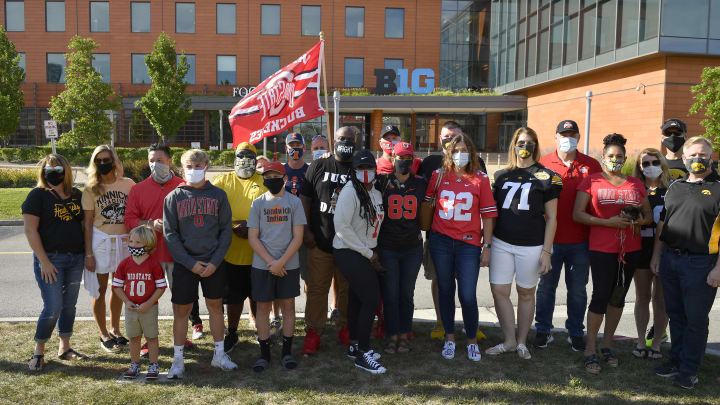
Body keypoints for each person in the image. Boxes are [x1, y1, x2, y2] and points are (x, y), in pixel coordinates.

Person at [573, 134, 651, 375]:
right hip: (601, 249)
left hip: (630, 249)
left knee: (618, 297)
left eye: (619, 157)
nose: (615, 160)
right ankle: (591, 347)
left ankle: (608, 345)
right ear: (602, 158)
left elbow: (648, 216)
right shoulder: (592, 181)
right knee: (600, 296)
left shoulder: (635, 184)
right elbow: (578, 214)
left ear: (625, 159)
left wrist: (635, 220)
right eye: (610, 156)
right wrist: (608, 222)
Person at [650, 136, 720, 389]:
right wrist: (657, 256)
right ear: (683, 158)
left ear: (711, 158)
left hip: (701, 264)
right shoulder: (675, 187)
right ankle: (677, 361)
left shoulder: (719, 188)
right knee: (676, 315)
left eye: (703, 155)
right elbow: (663, 226)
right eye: (693, 155)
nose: (698, 159)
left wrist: (718, 268)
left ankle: (690, 370)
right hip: (671, 260)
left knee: (695, 319)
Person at [486, 127, 560, 360]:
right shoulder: (500, 175)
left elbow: (552, 218)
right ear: (514, 145)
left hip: (532, 244)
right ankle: (508, 340)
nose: (524, 147)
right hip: (502, 242)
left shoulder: (547, 176)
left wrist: (547, 251)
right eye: (521, 142)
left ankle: (521, 342)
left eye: (529, 143)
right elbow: (492, 213)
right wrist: (486, 244)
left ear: (535, 146)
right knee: (499, 290)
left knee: (526, 293)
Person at [164, 149, 236, 378]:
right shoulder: (174, 197)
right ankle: (177, 360)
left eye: (198, 166)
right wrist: (189, 263)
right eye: (189, 166)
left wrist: (214, 262)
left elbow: (226, 232)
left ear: (207, 166)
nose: (194, 170)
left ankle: (219, 355)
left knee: (216, 307)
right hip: (186, 264)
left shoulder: (218, 195)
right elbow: (170, 235)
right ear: (181, 168)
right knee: (181, 311)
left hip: (213, 263)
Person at [124, 143, 199, 357]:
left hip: (178, 255)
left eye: (159, 160)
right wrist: (149, 224)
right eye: (151, 160)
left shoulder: (183, 186)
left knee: (181, 300)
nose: (155, 164)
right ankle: (149, 340)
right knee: (148, 301)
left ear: (169, 161)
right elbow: (129, 219)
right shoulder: (138, 189)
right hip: (149, 256)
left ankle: (181, 337)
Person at [426, 134, 496, 361]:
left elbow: (488, 215)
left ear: (472, 152)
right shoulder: (438, 176)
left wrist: (487, 246)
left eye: (464, 149)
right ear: (448, 152)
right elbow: (428, 204)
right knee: (445, 290)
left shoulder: (481, 179)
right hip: (441, 241)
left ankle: (471, 340)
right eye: (456, 150)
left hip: (468, 243)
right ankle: (449, 337)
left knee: (467, 294)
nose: (460, 154)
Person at [534, 119, 602, 351]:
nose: (567, 138)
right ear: (555, 137)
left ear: (579, 138)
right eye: (563, 134)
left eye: (572, 134)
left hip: (580, 241)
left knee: (577, 290)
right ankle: (543, 330)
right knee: (546, 288)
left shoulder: (591, 165)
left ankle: (575, 332)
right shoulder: (543, 164)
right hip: (549, 240)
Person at [417, 121, 487, 340]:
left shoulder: (478, 164)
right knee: (440, 281)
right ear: (440, 139)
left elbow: (482, 198)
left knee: (466, 286)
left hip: (467, 237)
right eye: (446, 137)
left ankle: (469, 327)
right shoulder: (429, 163)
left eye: (455, 136)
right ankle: (441, 322)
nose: (451, 141)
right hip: (439, 236)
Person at [23, 154, 87, 371]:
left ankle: (65, 347)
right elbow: (30, 231)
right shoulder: (37, 195)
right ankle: (38, 352)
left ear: (66, 171)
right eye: (49, 168)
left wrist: (87, 254)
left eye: (58, 169)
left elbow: (84, 226)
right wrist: (44, 261)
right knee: (53, 307)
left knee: (69, 306)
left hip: (76, 258)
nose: (53, 172)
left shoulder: (77, 195)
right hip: (51, 259)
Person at [299, 126, 357, 354]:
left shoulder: (359, 166)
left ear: (356, 140)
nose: (346, 142)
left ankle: (345, 328)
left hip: (348, 244)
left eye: (350, 139)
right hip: (320, 241)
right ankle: (313, 333)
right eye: (342, 138)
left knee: (347, 290)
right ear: (334, 141)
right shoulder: (319, 164)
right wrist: (305, 230)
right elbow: (304, 198)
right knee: (317, 290)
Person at [247, 161, 306, 372]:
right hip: (263, 266)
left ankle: (287, 352)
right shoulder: (258, 203)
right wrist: (271, 263)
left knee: (288, 306)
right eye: (267, 176)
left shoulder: (294, 202)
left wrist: (281, 262)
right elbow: (253, 237)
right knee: (263, 308)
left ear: (285, 178)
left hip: (288, 264)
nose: (271, 180)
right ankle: (264, 355)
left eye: (275, 176)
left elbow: (298, 236)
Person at [333, 149, 387, 373]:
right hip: (349, 251)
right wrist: (368, 253)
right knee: (371, 299)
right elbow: (342, 228)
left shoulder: (375, 192)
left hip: (366, 251)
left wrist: (371, 250)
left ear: (375, 170)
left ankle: (354, 346)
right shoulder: (349, 192)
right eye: (360, 168)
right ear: (353, 171)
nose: (365, 172)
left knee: (357, 299)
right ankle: (362, 353)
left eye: (369, 168)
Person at [211, 142, 267, 353]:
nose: (244, 160)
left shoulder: (263, 181)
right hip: (231, 253)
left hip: (258, 252)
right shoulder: (222, 181)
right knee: (233, 297)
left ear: (256, 159)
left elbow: (270, 211)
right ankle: (232, 333)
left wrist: (251, 226)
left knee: (258, 295)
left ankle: (260, 331)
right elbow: (213, 209)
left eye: (249, 156)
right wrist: (234, 225)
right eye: (240, 155)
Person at [82, 145, 135, 353]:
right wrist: (88, 253)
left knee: (118, 286)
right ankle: (103, 333)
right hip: (100, 242)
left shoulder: (129, 184)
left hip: (123, 241)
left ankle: (115, 328)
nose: (103, 164)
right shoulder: (91, 188)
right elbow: (86, 224)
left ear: (114, 161)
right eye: (98, 160)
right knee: (100, 289)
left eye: (106, 159)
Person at [376, 142, 427, 354]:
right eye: (400, 157)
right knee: (390, 293)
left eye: (408, 158)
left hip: (411, 248)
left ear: (413, 160)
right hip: (388, 246)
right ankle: (392, 334)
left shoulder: (421, 183)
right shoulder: (383, 182)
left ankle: (405, 334)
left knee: (406, 293)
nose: (403, 162)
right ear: (393, 158)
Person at [112, 226, 167, 380]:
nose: (133, 245)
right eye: (131, 241)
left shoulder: (154, 264)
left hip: (149, 309)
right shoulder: (124, 264)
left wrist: (149, 303)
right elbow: (116, 286)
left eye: (138, 242)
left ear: (148, 245)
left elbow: (161, 287)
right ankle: (135, 364)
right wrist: (127, 301)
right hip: (131, 309)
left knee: (151, 337)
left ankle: (153, 364)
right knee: (134, 337)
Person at [630, 148, 669, 360]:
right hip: (641, 249)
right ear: (640, 167)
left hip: (663, 250)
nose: (651, 166)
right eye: (646, 163)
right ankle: (639, 340)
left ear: (662, 164)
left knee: (661, 299)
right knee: (642, 296)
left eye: (655, 162)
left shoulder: (672, 190)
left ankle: (656, 344)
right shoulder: (635, 190)